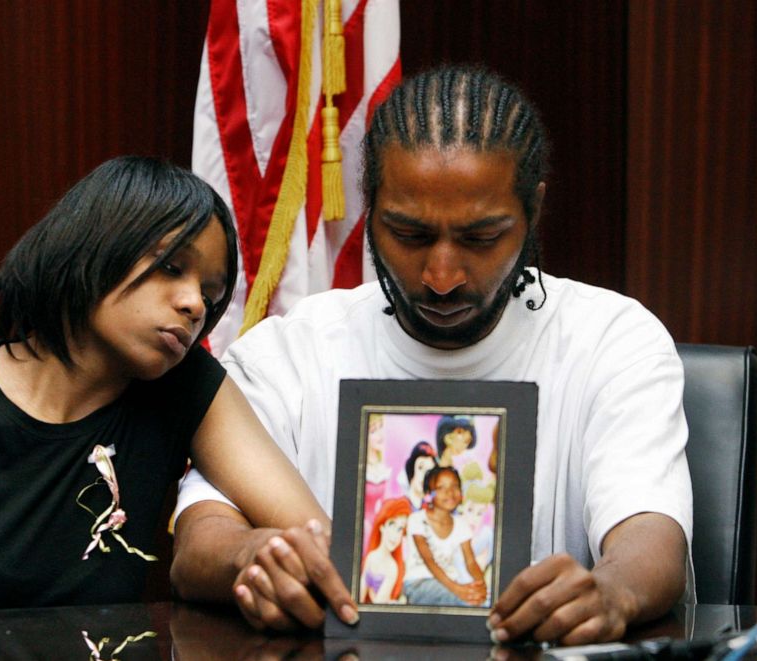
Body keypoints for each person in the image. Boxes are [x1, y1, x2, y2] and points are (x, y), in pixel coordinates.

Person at [170, 65, 692, 645]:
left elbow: (652, 533)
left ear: (533, 212)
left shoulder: (613, 340)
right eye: (410, 235)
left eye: (481, 238)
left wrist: (613, 590)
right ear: (369, 207)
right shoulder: (288, 349)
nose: (441, 277)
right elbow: (199, 539)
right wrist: (248, 556)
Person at [0, 156, 327, 615]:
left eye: (210, 293)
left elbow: (319, 541)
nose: (195, 304)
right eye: (172, 267)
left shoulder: (184, 387)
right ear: (96, 245)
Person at [404, 467, 487, 607]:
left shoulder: (461, 524)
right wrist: (457, 589)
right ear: (429, 494)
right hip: (418, 584)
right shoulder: (417, 519)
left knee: (480, 600)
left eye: (455, 486)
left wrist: (482, 587)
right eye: (441, 488)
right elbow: (429, 561)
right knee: (464, 601)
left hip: (451, 583)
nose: (450, 492)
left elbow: (471, 562)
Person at [359, 498, 411, 604]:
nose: (395, 535)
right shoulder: (371, 557)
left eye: (400, 528)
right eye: (392, 525)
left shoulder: (392, 567)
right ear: (381, 526)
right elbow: (359, 595)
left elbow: (378, 605)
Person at [403, 441, 438, 510]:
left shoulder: (434, 507)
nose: (425, 476)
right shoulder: (399, 506)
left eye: (430, 471)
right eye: (420, 468)